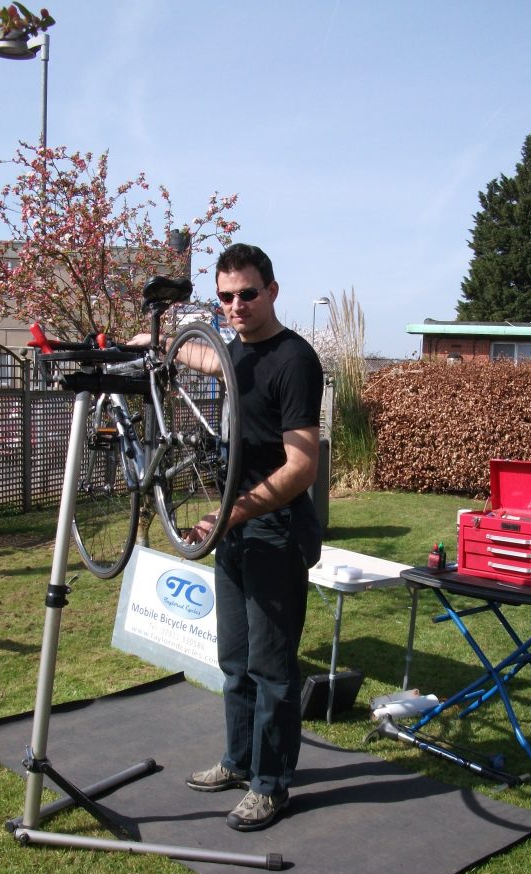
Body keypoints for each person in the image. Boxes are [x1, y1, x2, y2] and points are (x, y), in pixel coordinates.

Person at [130, 243, 323, 830]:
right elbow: (207, 360)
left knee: (271, 666)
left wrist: (233, 512)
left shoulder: (295, 360)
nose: (236, 305)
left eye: (247, 293)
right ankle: (239, 761)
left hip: (273, 527)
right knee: (233, 659)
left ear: (272, 291)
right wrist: (158, 348)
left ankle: (271, 784)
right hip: (232, 526)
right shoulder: (233, 351)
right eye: (225, 296)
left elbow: (301, 467)